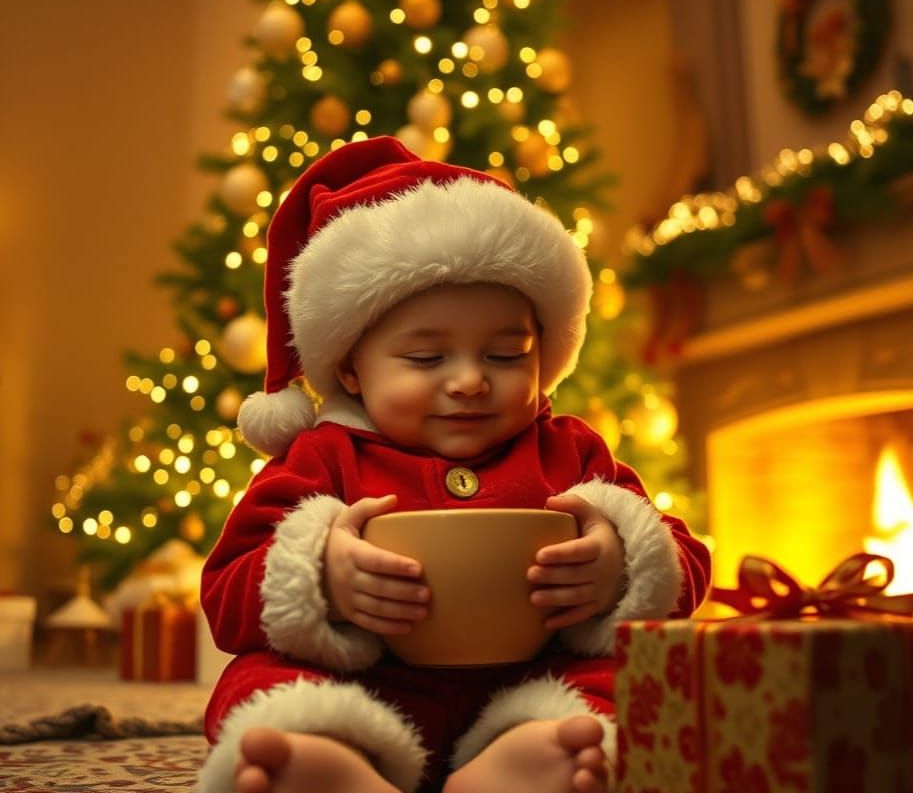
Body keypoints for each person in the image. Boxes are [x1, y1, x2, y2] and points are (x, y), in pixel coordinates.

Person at [198, 136, 711, 793]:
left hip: (524, 685)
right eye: (426, 358)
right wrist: (318, 575)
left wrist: (622, 562)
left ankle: (530, 757)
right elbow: (225, 591)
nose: (469, 381)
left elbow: (687, 560)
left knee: (634, 679)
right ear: (352, 365)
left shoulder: (569, 449)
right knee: (258, 681)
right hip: (370, 685)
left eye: (504, 355)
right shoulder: (324, 457)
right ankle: (328, 759)